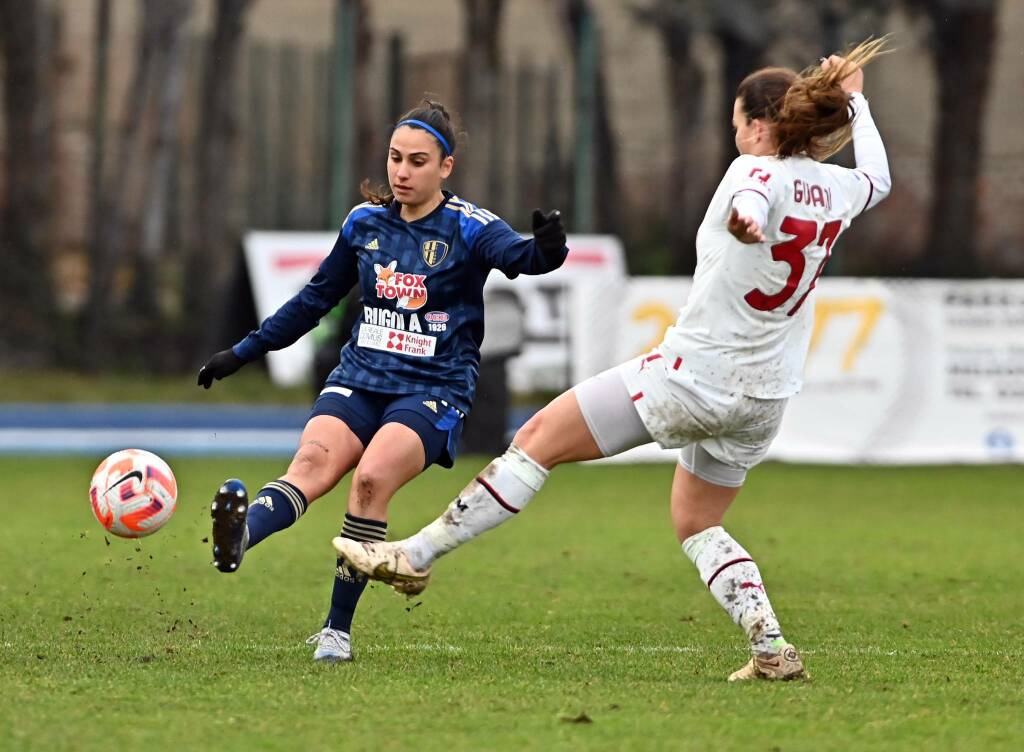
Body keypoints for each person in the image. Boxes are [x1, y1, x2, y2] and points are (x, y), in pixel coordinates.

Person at [335, 42, 892, 681]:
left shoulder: (754, 173)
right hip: (766, 399)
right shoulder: (837, 187)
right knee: (696, 519)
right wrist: (858, 101)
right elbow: (880, 178)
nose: (733, 133)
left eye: (736, 122)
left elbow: (754, 201)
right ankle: (770, 648)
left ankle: (418, 553)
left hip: (694, 377)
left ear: (758, 127)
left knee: (538, 439)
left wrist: (747, 221)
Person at [196, 99, 569, 663]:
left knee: (370, 480)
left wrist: (549, 247)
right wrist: (244, 352)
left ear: (446, 167)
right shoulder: (363, 223)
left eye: (417, 161)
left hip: (435, 389)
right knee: (309, 468)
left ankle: (336, 631)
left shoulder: (469, 227)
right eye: (395, 158)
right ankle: (242, 536)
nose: (401, 171)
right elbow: (314, 300)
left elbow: (524, 257)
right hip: (361, 376)